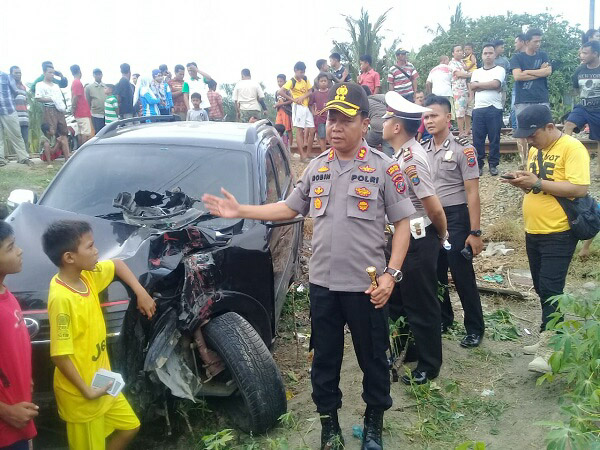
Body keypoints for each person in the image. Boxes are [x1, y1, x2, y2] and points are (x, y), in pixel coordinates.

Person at [203, 82, 415, 450]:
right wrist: (241, 210)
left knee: (373, 360)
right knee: (325, 361)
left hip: (367, 288)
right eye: (331, 119)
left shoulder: (384, 168)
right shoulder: (317, 168)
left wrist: (391, 275)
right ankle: (329, 426)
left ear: (365, 123)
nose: (335, 127)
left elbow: (402, 225)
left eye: (345, 120)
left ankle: (374, 424)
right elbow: (289, 208)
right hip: (324, 287)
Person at [42, 220, 155, 450]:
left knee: (131, 426)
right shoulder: (62, 299)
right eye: (90, 246)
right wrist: (87, 391)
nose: (96, 251)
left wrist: (141, 292)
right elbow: (60, 356)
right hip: (83, 395)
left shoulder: (86, 277)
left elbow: (116, 264)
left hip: (103, 383)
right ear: (69, 257)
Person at [502, 105, 590, 373]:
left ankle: (551, 350)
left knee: (552, 289)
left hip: (559, 231)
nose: (530, 140)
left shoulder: (572, 148)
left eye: (533, 134)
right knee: (542, 287)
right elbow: (537, 185)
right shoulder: (535, 150)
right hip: (534, 230)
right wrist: (524, 181)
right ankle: (548, 333)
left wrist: (537, 183)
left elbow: (579, 188)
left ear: (550, 127)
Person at [382, 92, 448, 385]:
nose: (383, 123)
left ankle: (429, 364)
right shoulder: (400, 155)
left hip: (418, 239)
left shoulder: (411, 160)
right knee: (399, 300)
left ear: (397, 127)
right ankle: (408, 349)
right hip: (402, 238)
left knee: (421, 302)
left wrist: (441, 234)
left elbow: (433, 206)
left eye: (387, 119)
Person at [422, 95, 485, 349]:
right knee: (435, 271)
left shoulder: (463, 149)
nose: (429, 121)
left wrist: (475, 232)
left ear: (448, 117)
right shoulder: (422, 149)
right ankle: (444, 318)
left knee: (461, 274)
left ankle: (475, 328)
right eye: (426, 116)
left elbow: (473, 193)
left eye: (434, 115)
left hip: (456, 217)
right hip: (431, 218)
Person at [0, 221, 38, 450]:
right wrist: (6, 411)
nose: (19, 250)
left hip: (19, 415)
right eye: (10, 247)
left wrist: (25, 378)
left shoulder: (6, 293)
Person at [511, 28, 552, 168]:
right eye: (535, 41)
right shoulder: (517, 58)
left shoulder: (543, 55)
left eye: (540, 41)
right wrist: (539, 72)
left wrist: (527, 72)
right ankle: (524, 162)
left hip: (541, 98)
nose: (538, 44)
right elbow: (517, 76)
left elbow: (548, 71)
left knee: (545, 129)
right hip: (523, 100)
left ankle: (543, 159)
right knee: (522, 132)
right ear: (527, 42)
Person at [470, 44, 506, 176]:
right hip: (478, 108)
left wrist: (479, 86)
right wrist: (488, 85)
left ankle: (493, 164)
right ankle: (478, 165)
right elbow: (472, 87)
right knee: (477, 139)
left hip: (494, 108)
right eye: (485, 53)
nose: (488, 56)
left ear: (495, 55)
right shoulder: (476, 72)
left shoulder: (500, 70)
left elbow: (496, 84)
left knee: (494, 138)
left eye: (490, 53)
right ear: (482, 55)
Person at [278, 62, 314, 161]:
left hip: (306, 106)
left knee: (312, 129)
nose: (302, 74)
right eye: (300, 72)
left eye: (303, 72)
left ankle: (308, 153)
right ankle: (302, 156)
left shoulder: (305, 79)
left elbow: (310, 91)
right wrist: (293, 99)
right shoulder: (291, 81)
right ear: (295, 70)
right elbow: (280, 91)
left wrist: (302, 97)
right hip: (298, 107)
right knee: (299, 130)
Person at [0, 71, 32, 167]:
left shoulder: (6, 76)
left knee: (16, 135)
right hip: (7, 108)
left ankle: (23, 158)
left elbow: (15, 91)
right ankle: (1, 160)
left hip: (8, 109)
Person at [35, 66, 69, 141]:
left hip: (59, 109)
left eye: (53, 73)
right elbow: (38, 98)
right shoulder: (40, 84)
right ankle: (50, 146)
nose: (52, 74)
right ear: (44, 73)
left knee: (63, 131)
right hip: (48, 109)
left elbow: (60, 99)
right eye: (50, 72)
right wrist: (52, 99)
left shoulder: (56, 86)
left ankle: (64, 147)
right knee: (51, 131)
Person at [363, 86, 394, 157]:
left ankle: (369, 159)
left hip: (376, 126)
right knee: (388, 151)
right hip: (389, 125)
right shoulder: (381, 96)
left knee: (364, 143)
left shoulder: (364, 103)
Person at [449, 45, 472, 137]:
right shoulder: (452, 63)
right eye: (457, 51)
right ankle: (461, 132)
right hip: (458, 90)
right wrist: (471, 74)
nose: (460, 52)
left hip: (468, 89)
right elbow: (459, 74)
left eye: (461, 50)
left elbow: (465, 73)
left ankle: (467, 130)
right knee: (460, 112)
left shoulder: (462, 62)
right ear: (453, 53)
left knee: (469, 110)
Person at [69, 65, 93, 145]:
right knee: (86, 133)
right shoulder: (77, 82)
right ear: (80, 72)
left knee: (80, 132)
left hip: (79, 112)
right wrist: (73, 107)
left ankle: (80, 149)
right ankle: (84, 150)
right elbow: (76, 96)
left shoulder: (74, 82)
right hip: (82, 111)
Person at [9, 67, 30, 151]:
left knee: (25, 139)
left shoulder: (23, 87)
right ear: (11, 74)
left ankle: (25, 155)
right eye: (16, 73)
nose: (18, 74)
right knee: (16, 139)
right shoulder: (8, 87)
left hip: (24, 118)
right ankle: (20, 156)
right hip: (14, 117)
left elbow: (26, 101)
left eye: (19, 73)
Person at [509, 34, 526, 130]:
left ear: (522, 42)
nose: (514, 44)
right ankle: (515, 130)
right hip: (517, 86)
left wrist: (525, 73)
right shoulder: (516, 57)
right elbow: (517, 76)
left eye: (516, 42)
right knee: (513, 108)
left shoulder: (534, 56)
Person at [309, 73, 329, 154]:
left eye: (325, 81)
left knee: (331, 135)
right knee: (321, 136)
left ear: (327, 82)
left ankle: (334, 153)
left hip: (330, 118)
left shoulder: (331, 92)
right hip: (320, 118)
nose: (323, 82)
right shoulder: (315, 94)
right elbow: (310, 104)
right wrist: (314, 112)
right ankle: (324, 153)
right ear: (318, 82)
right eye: (321, 81)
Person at [85, 68, 107, 134]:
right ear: (93, 75)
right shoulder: (89, 87)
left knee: (107, 132)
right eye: (96, 74)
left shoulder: (106, 86)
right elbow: (88, 101)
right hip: (96, 114)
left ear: (102, 75)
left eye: (99, 74)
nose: (98, 76)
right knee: (99, 133)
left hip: (107, 114)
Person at [275, 74, 293, 148]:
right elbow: (277, 101)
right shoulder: (277, 92)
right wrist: (276, 105)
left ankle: (290, 146)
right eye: (278, 81)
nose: (279, 83)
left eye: (281, 81)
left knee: (288, 129)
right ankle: (280, 145)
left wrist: (281, 104)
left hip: (286, 111)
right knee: (277, 128)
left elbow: (291, 101)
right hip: (279, 111)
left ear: (285, 81)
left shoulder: (288, 91)